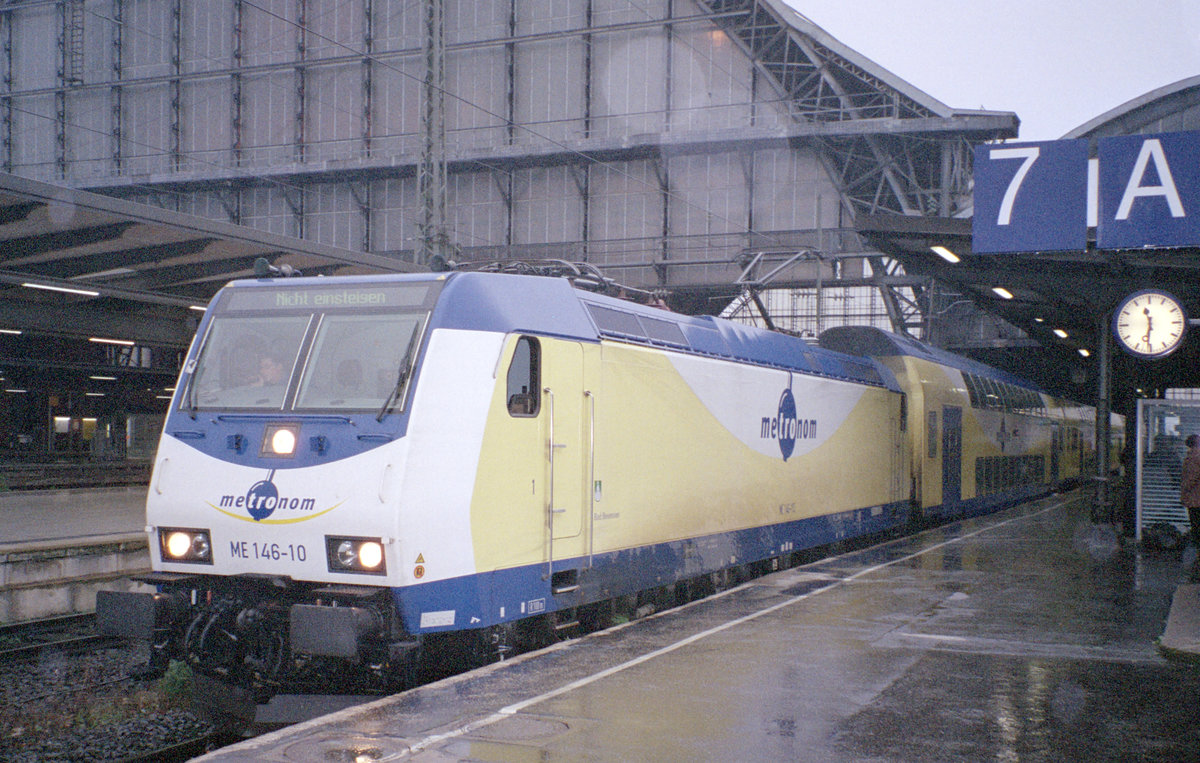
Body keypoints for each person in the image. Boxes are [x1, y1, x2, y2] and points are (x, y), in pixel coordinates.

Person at [1182, 434, 1200, 579]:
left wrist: (1184, 490)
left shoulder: (1193, 457)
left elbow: (1191, 478)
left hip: (1195, 499)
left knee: (1196, 527)